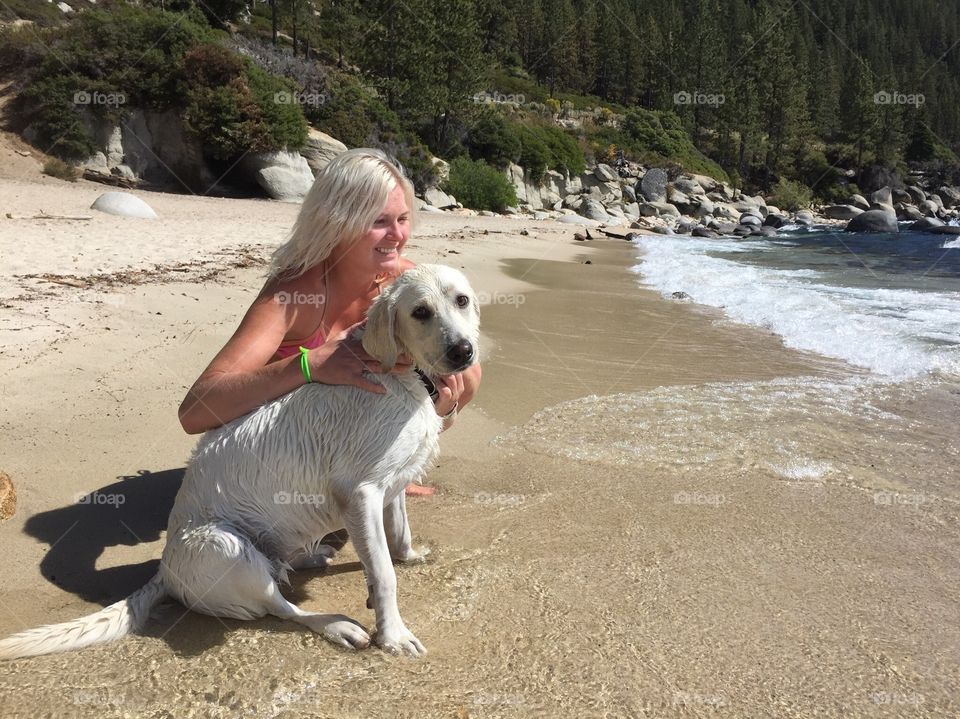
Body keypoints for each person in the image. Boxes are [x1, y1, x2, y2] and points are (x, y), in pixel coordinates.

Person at [178, 149, 481, 495]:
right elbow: (195, 411)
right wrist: (311, 364)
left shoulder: (407, 287)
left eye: (403, 219)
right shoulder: (292, 296)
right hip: (272, 466)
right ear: (337, 221)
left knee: (468, 375)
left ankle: (387, 466)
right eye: (379, 222)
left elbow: (460, 376)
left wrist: (444, 409)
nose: (397, 235)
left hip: (348, 446)